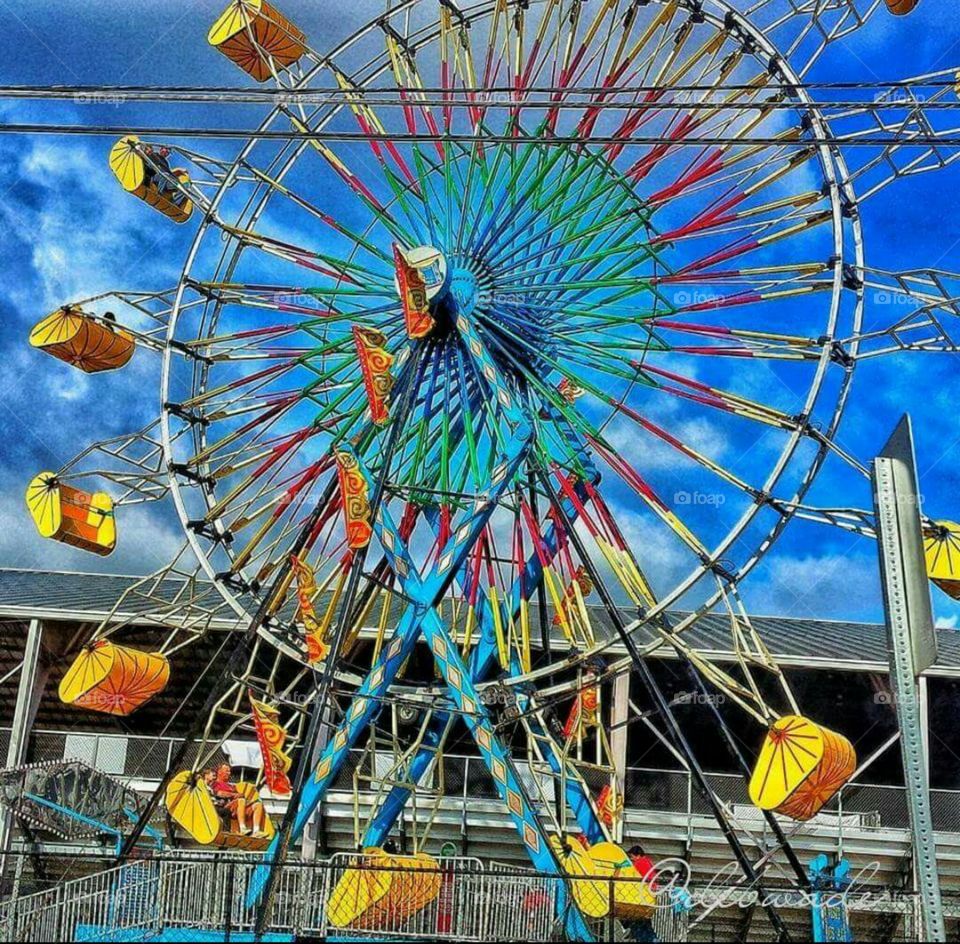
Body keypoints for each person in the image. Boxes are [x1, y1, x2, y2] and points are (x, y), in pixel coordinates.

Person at [207, 763, 267, 838]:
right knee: (240, 800)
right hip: (226, 807)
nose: (229, 773)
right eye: (227, 771)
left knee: (258, 805)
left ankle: (256, 831)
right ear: (219, 771)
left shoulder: (232, 786)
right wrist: (234, 795)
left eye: (229, 771)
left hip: (238, 807)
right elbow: (219, 793)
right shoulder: (215, 783)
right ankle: (242, 828)